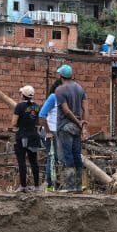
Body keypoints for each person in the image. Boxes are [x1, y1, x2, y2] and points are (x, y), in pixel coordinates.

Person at [54, 64, 87, 192]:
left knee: (68, 156)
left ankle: (70, 186)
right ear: (71, 75)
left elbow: (66, 111)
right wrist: (83, 123)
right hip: (77, 128)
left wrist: (78, 122)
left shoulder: (60, 90)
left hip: (66, 126)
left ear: (61, 76)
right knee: (76, 155)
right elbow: (85, 108)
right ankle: (78, 186)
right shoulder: (80, 89)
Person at [11, 85, 41, 192]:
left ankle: (23, 186)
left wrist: (18, 126)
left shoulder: (19, 106)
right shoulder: (37, 106)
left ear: (23, 95)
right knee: (34, 161)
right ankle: (37, 186)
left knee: (22, 161)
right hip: (34, 136)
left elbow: (14, 122)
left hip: (22, 136)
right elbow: (38, 121)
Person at [38, 79, 63, 190]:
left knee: (57, 157)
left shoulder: (64, 99)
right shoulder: (53, 97)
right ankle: (50, 184)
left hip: (58, 131)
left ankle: (54, 182)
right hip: (50, 131)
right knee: (52, 156)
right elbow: (42, 115)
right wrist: (48, 132)